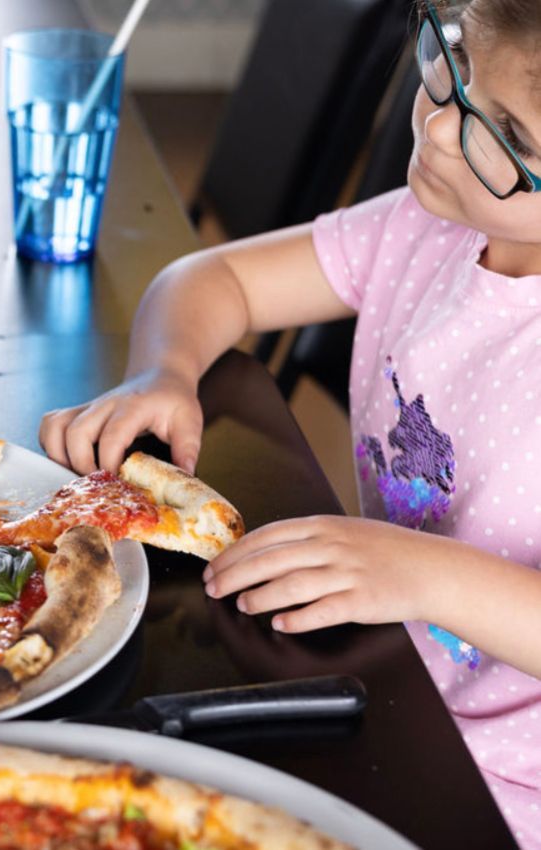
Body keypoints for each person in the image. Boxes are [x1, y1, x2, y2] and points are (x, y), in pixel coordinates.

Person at [39, 0, 541, 844]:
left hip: (501, 790)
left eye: (512, 140)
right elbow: (217, 279)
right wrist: (165, 370)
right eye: (451, 70)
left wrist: (423, 573)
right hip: (374, 681)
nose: (443, 134)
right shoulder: (428, 226)